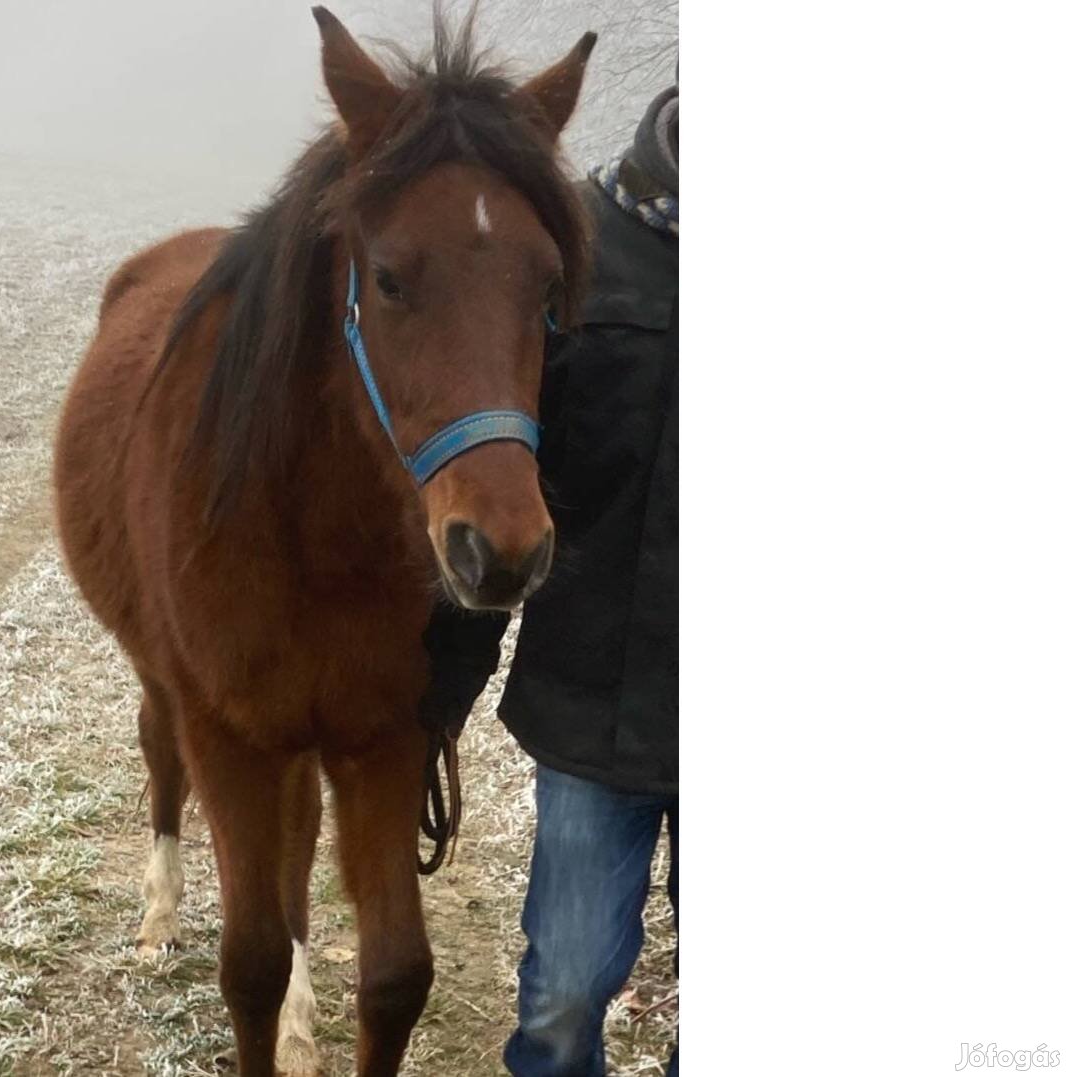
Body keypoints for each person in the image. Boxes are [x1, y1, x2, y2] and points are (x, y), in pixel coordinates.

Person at [419, 83, 679, 1077]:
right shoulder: (573, 245)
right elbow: (497, 478)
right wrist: (441, 689)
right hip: (592, 709)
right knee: (564, 994)